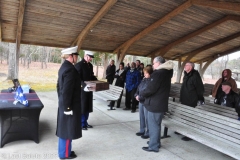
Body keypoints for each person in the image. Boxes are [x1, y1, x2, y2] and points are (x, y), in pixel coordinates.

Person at [140, 56, 173, 152]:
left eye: (154, 63)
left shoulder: (158, 73)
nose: (153, 65)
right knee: (156, 125)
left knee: (153, 126)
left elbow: (150, 89)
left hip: (155, 104)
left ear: (158, 63)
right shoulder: (166, 72)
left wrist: (142, 93)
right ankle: (155, 143)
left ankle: (153, 146)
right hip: (159, 103)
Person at [56, 46, 81, 159]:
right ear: (71, 56)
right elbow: (67, 90)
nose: (77, 58)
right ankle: (65, 154)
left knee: (66, 129)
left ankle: (66, 151)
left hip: (65, 103)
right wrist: (67, 107)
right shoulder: (70, 69)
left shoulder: (64, 67)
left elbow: (58, 86)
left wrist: (61, 100)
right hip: (69, 105)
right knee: (67, 130)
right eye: (76, 55)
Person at [180, 62, 204, 141]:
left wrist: (200, 98)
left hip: (191, 100)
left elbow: (200, 89)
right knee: (184, 116)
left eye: (186, 65)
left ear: (191, 67)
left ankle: (189, 135)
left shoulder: (195, 76)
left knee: (189, 118)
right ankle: (183, 131)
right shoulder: (186, 75)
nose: (185, 66)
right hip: (184, 99)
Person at [75, 51, 97, 130]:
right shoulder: (79, 65)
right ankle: (81, 123)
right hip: (82, 90)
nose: (91, 59)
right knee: (83, 106)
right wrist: (84, 85)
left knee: (87, 106)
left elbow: (91, 75)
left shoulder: (90, 65)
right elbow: (77, 78)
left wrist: (97, 81)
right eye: (90, 57)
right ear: (85, 56)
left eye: (91, 57)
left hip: (89, 88)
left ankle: (85, 122)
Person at [135, 66, 153, 139]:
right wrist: (136, 95)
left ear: (150, 73)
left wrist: (140, 97)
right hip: (140, 101)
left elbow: (149, 92)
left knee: (147, 118)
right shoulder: (144, 80)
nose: (144, 74)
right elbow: (139, 88)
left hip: (146, 101)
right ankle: (142, 130)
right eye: (144, 73)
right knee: (141, 117)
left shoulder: (151, 81)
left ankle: (148, 132)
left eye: (146, 73)